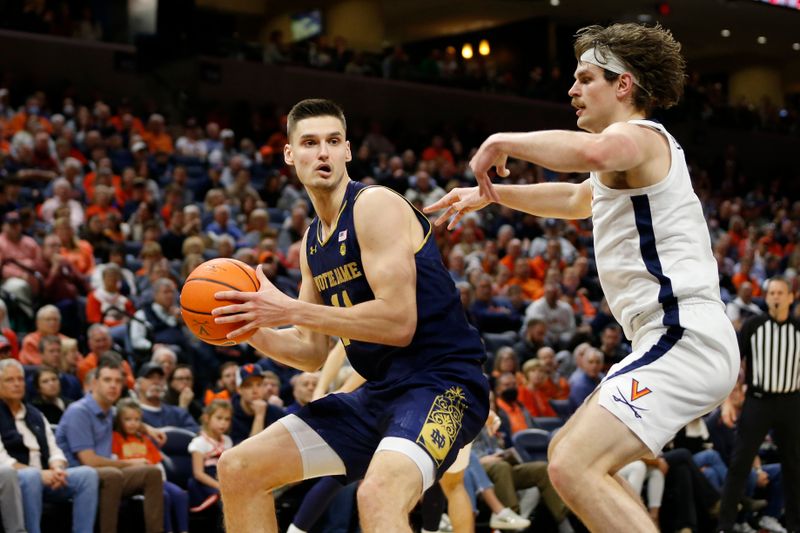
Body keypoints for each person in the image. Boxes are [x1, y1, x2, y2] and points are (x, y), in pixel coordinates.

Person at [425, 23, 739, 532]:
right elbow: (578, 199)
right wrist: (492, 195)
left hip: (685, 335)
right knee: (564, 451)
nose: (572, 90)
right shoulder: (624, 161)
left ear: (623, 85)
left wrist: (502, 139)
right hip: (670, 337)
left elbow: (593, 155)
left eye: (585, 78)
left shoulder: (640, 137)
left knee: (573, 465)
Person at [212, 98, 489, 533]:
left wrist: (287, 308)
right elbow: (309, 352)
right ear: (290, 155)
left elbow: (399, 323)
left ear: (347, 152)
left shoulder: (374, 205)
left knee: (377, 495)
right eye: (309, 142)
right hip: (378, 393)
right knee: (238, 467)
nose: (322, 152)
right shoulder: (311, 243)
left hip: (443, 382)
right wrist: (249, 328)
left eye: (332, 141)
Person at [717, 277, 799, 533]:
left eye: (780, 293)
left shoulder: (798, 329)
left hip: (791, 401)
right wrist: (728, 400)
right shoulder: (753, 326)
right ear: (767, 297)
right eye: (771, 292)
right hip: (758, 401)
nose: (775, 297)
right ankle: (725, 525)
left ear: (790, 297)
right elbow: (732, 363)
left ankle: (795, 525)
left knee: (794, 466)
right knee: (740, 463)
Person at [56, 357, 164, 533]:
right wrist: (130, 463)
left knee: (152, 473)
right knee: (112, 475)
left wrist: (149, 429)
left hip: (106, 474)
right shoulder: (79, 412)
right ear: (95, 383)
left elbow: (126, 418)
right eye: (107, 380)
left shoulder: (109, 411)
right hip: (75, 475)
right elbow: (89, 461)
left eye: (118, 381)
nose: (113, 385)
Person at [0, 359, 98, 533]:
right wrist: (40, 474)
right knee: (30, 476)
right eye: (9, 380)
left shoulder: (35, 413)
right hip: (17, 480)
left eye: (20, 379)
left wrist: (57, 468)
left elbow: (55, 450)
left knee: (87, 475)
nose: (16, 384)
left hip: (47, 476)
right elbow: (3, 461)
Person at [112, 398, 189, 533]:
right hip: (136, 481)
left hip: (157, 479)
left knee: (180, 495)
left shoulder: (145, 439)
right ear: (119, 420)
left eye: (137, 420)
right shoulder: (115, 438)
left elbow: (158, 462)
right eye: (128, 419)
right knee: (163, 496)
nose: (133, 424)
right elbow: (115, 462)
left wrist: (160, 478)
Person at [187, 399, 233, 512]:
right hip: (205, 485)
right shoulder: (199, 442)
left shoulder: (227, 441)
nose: (223, 423)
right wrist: (219, 486)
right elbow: (198, 473)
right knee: (225, 502)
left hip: (223, 479)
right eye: (219, 418)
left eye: (227, 419)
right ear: (207, 418)